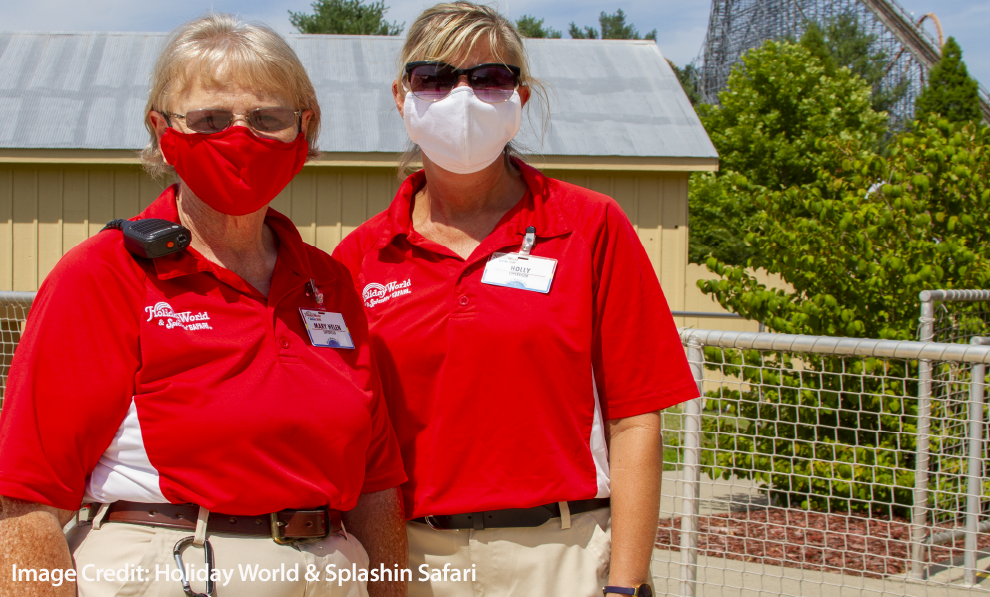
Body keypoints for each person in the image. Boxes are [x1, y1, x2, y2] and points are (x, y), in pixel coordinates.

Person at [0, 14, 408, 597]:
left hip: (327, 573)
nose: (241, 138)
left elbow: (377, 485)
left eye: (268, 119)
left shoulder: (330, 283)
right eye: (210, 119)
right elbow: (27, 495)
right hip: (176, 568)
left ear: (305, 129)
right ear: (162, 131)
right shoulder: (105, 272)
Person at [332, 3, 700, 596]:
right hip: (413, 560)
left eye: (489, 78)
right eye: (434, 78)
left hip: (563, 556)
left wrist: (627, 585)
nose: (462, 97)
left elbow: (636, 420)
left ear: (520, 98)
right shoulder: (360, 258)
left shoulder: (590, 227)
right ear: (402, 98)